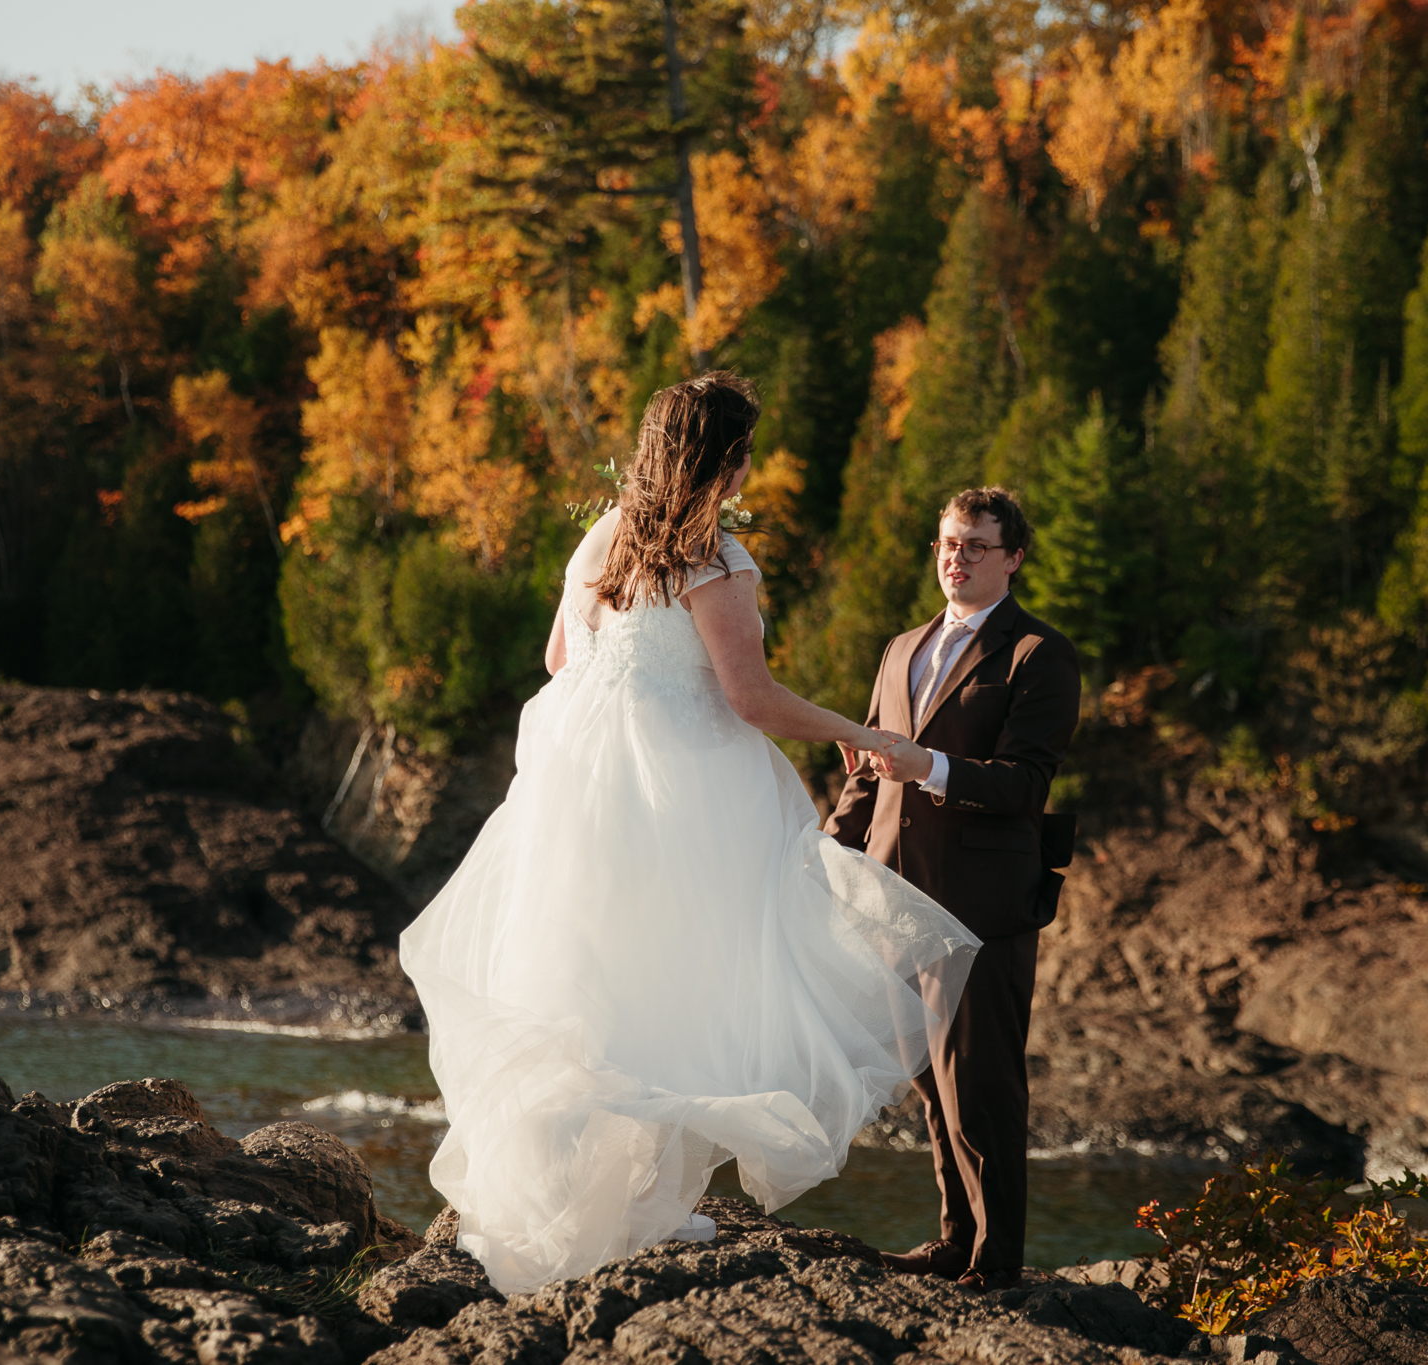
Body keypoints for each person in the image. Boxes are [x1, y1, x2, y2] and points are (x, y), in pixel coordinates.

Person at [399, 373, 981, 1294]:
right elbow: (750, 698)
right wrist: (864, 734)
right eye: (745, 449)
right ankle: (644, 1204)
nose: (750, 466)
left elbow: (558, 661)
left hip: (579, 790)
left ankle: (591, 1205)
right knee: (693, 978)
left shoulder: (600, 540)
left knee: (591, 986)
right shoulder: (715, 559)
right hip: (684, 792)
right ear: (722, 459)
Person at [824, 486, 1082, 1292]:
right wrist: (832, 848)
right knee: (933, 1086)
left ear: (1013, 557)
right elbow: (867, 772)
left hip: (982, 906)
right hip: (895, 901)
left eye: (974, 544)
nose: (955, 557)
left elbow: (1025, 784)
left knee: (983, 1090)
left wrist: (928, 766)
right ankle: (953, 1241)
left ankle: (996, 1264)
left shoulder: (1039, 654)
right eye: (946, 541)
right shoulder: (902, 647)